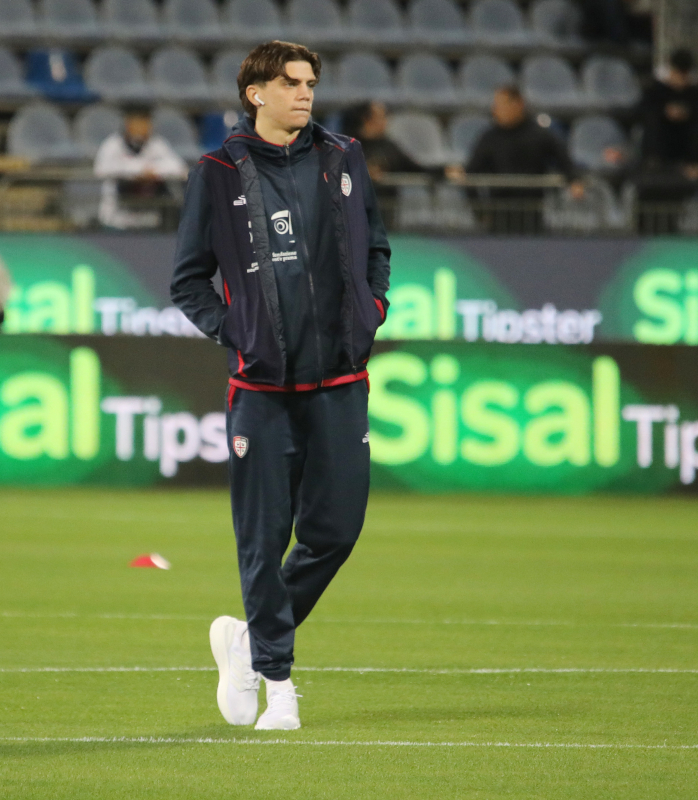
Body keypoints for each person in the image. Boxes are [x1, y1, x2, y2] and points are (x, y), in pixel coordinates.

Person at [170, 40, 390, 731]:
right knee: (263, 541)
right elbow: (188, 281)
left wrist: (372, 310)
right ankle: (279, 686)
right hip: (261, 390)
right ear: (255, 94)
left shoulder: (343, 158)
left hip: (341, 381)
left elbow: (376, 247)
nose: (305, 93)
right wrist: (240, 333)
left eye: (311, 82)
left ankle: (245, 638)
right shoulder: (217, 172)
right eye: (291, 82)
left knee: (336, 530)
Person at [463, 84, 582, 232]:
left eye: (501, 105)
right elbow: (470, 175)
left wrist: (574, 181)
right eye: (495, 105)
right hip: (499, 215)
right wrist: (480, 213)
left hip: (533, 213)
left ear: (519, 104)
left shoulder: (539, 135)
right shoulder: (488, 138)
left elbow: (564, 162)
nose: (495, 110)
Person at [92, 105, 187, 230]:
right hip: (117, 218)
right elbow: (101, 169)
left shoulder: (156, 144)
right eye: (138, 123)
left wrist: (152, 171)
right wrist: (137, 171)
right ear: (128, 125)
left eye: (146, 123)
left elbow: (179, 168)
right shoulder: (113, 144)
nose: (143, 128)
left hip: (150, 218)